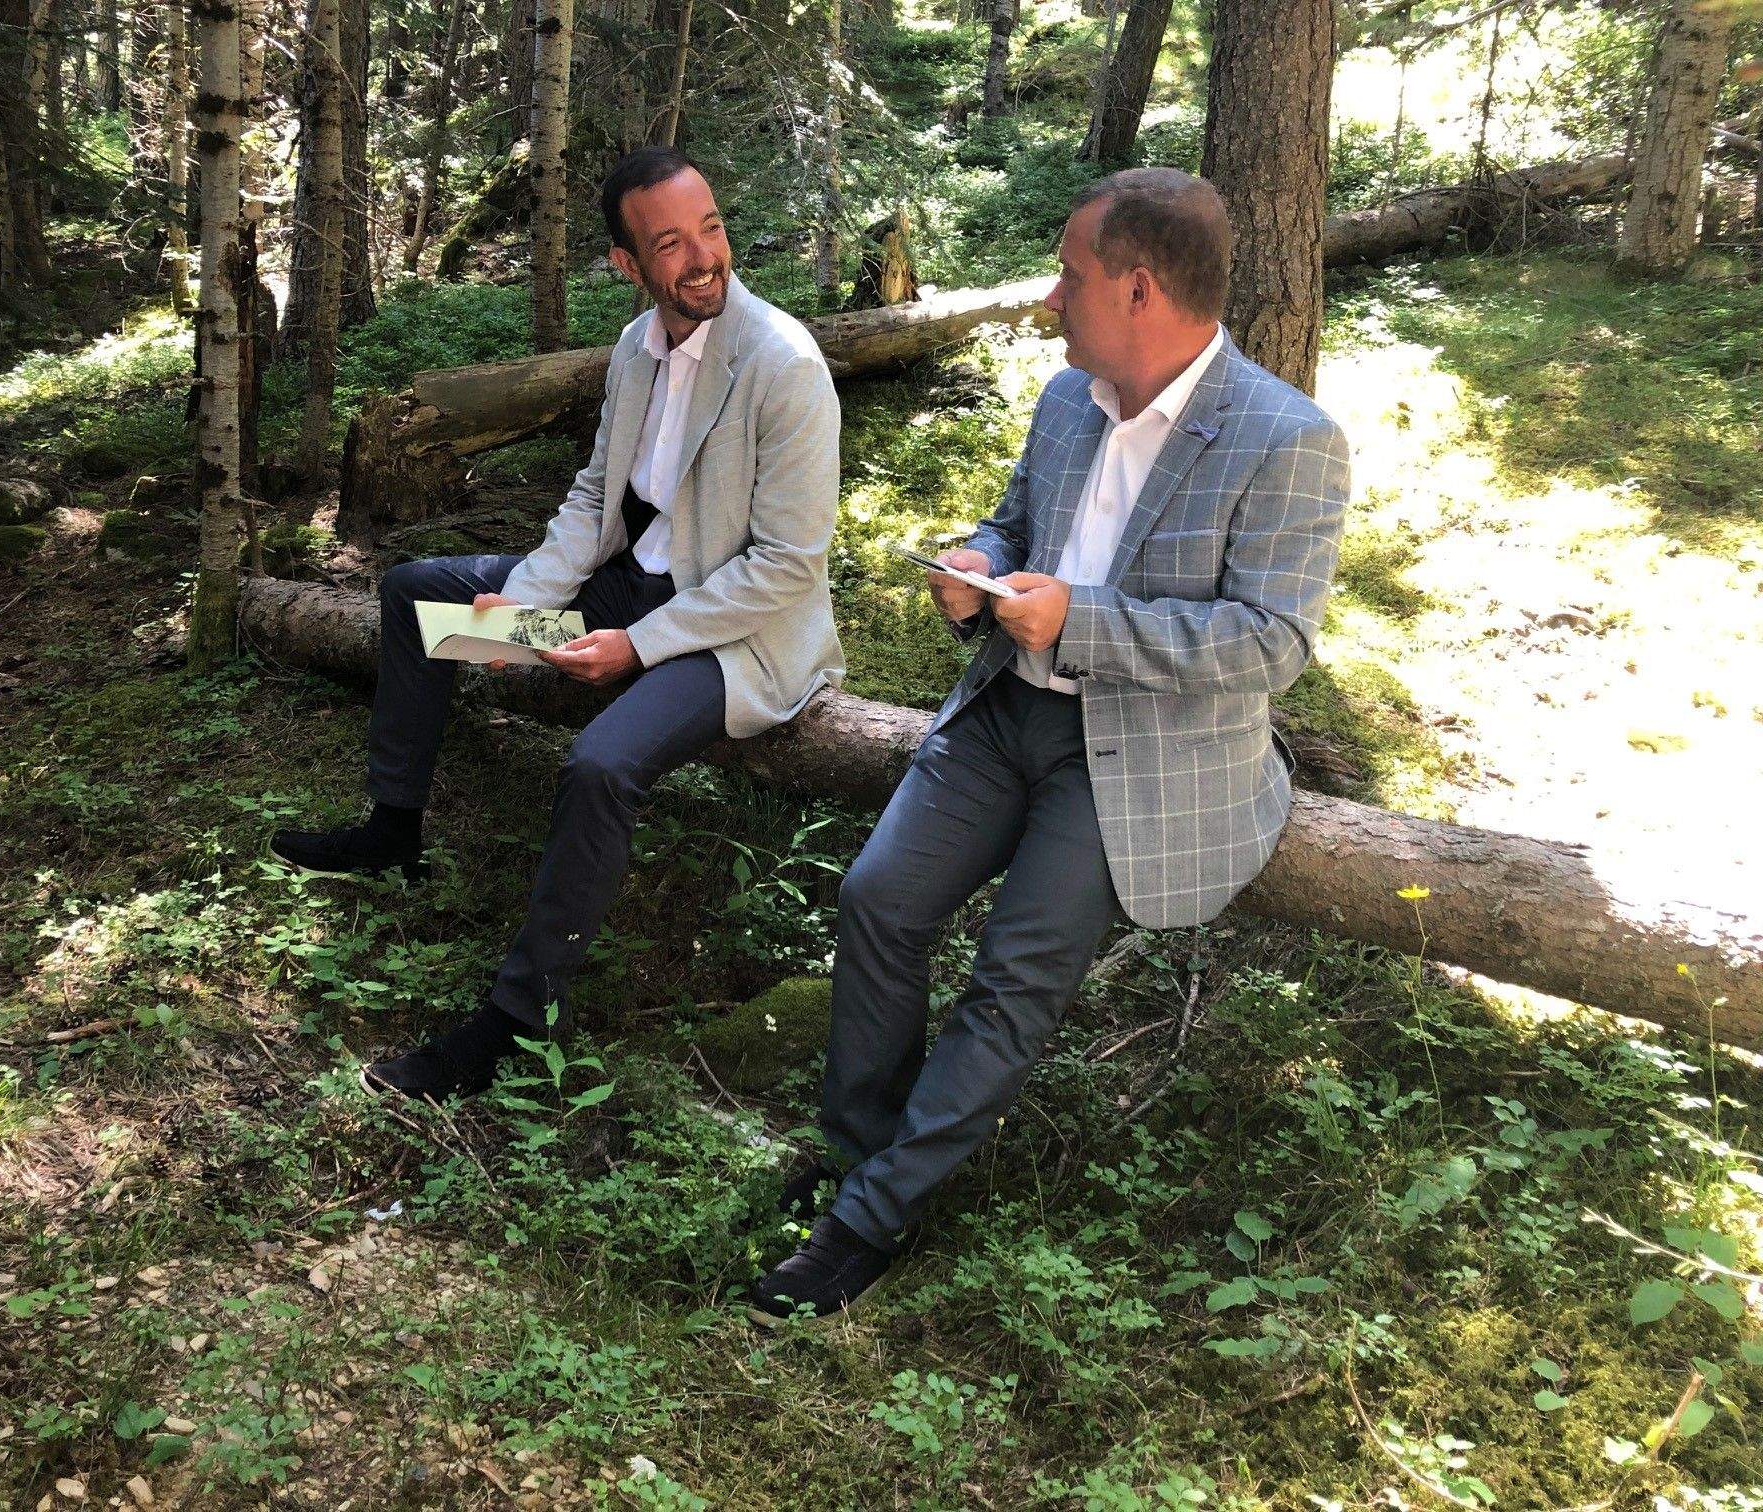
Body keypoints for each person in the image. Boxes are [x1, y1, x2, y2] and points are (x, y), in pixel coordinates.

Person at [749, 168, 1351, 1324]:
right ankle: (863, 1160)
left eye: (1066, 277)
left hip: (1138, 754)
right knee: (878, 901)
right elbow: (1018, 521)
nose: (1047, 301)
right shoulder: (1069, 397)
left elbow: (1271, 643)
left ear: (1134, 288)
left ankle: (868, 1223)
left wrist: (1082, 618)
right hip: (1006, 712)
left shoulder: (1288, 438)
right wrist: (978, 568)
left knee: (1014, 978)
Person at [270, 148, 845, 1101]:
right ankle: (394, 827)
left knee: (601, 765)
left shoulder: (782, 365)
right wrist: (527, 604)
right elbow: (595, 497)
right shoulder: (636, 347)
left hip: (730, 636)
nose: (703, 258)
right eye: (670, 243)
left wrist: (637, 647)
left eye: (711, 228)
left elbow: (788, 567)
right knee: (421, 596)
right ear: (627, 263)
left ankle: (512, 1022)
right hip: (625, 594)